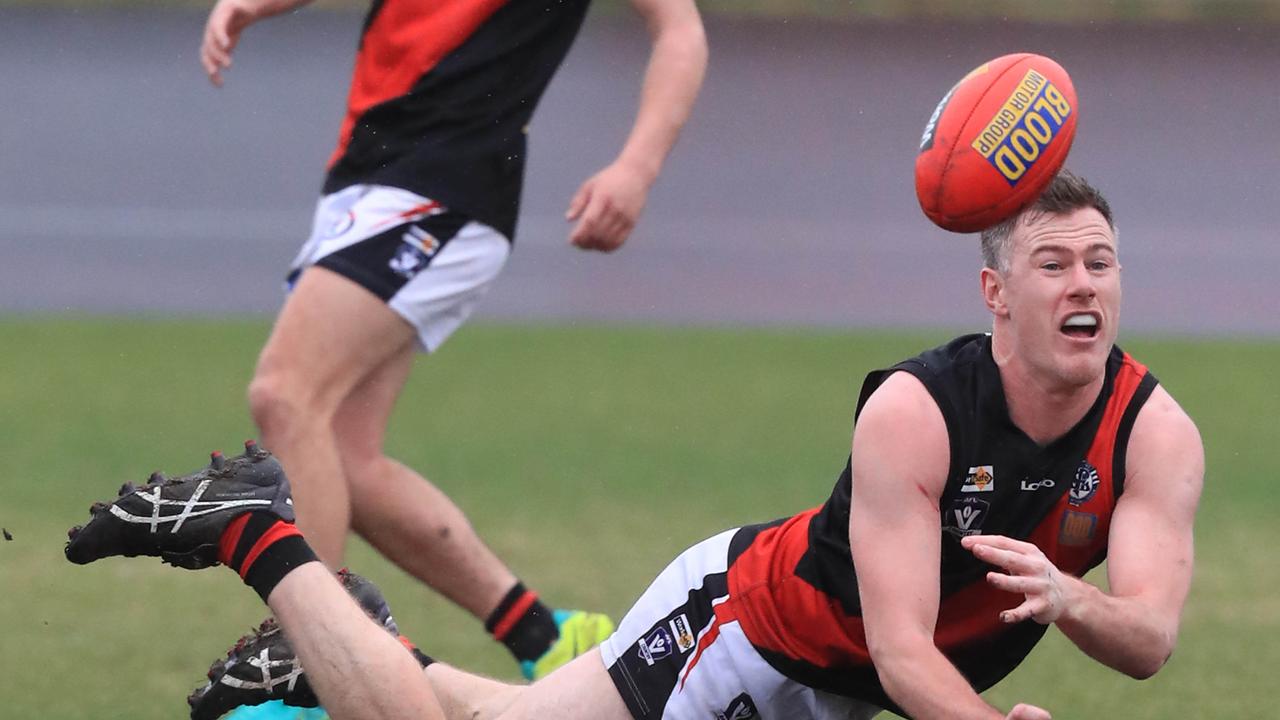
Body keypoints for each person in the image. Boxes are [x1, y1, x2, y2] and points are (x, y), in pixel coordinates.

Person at [68, 171, 1203, 719]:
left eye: (1099, 261)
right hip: (750, 637)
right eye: (1053, 263)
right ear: (994, 293)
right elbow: (905, 653)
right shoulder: (916, 410)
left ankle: (337, 655)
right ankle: (260, 532)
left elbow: (1147, 638)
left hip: (842, 696)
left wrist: (1069, 598)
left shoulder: (1153, 433)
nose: (1082, 284)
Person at [195, 0, 707, 712]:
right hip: (366, 173)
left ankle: (312, 676)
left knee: (285, 395)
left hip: (447, 181)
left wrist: (637, 167)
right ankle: (543, 635)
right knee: (343, 456)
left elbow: (678, 28)